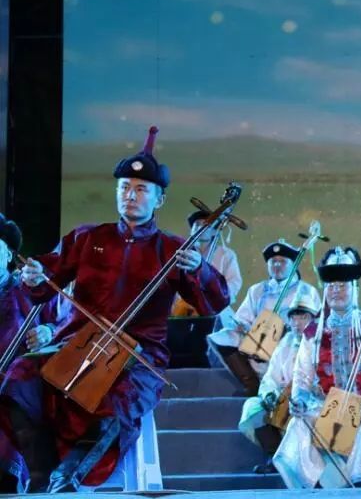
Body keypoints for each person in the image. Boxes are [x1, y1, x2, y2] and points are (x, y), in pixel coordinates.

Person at [0, 126, 229, 493]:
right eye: (124, 188)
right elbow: (46, 281)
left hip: (139, 354)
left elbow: (214, 302)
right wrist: (34, 275)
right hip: (73, 344)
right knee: (19, 377)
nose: (130, 196)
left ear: (159, 200)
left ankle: (68, 475)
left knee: (118, 397)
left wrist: (199, 269)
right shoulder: (87, 237)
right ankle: (40, 471)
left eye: (141, 189)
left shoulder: (172, 249)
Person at [274, 246, 361, 488]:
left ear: (354, 287)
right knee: (298, 423)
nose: (335, 290)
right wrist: (299, 399)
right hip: (329, 406)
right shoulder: (313, 332)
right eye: (331, 285)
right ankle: (308, 488)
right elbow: (302, 376)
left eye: (342, 285)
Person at [207, 239, 320, 395]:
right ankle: (251, 384)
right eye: (273, 261)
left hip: (290, 343)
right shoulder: (257, 290)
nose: (277, 265)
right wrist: (243, 326)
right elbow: (242, 318)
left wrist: (288, 329)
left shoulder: (306, 290)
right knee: (223, 337)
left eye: (282, 261)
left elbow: (316, 322)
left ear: (293, 264)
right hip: (258, 343)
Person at [238, 290, 318, 474]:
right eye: (294, 318)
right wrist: (270, 394)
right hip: (284, 399)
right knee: (253, 407)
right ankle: (275, 457)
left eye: (303, 317)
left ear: (313, 319)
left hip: (311, 401)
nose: (297, 323)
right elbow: (271, 376)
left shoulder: (320, 341)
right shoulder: (286, 341)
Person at [0, 214, 70, 371]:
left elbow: (69, 323)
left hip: (19, 377)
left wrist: (49, 331)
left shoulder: (33, 287)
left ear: (9, 255)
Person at [171, 208, 243, 317]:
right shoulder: (183, 253)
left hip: (215, 308)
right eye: (197, 225)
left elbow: (234, 282)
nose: (201, 228)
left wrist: (216, 299)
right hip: (184, 308)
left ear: (214, 231)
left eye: (206, 225)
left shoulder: (226, 255)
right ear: (191, 230)